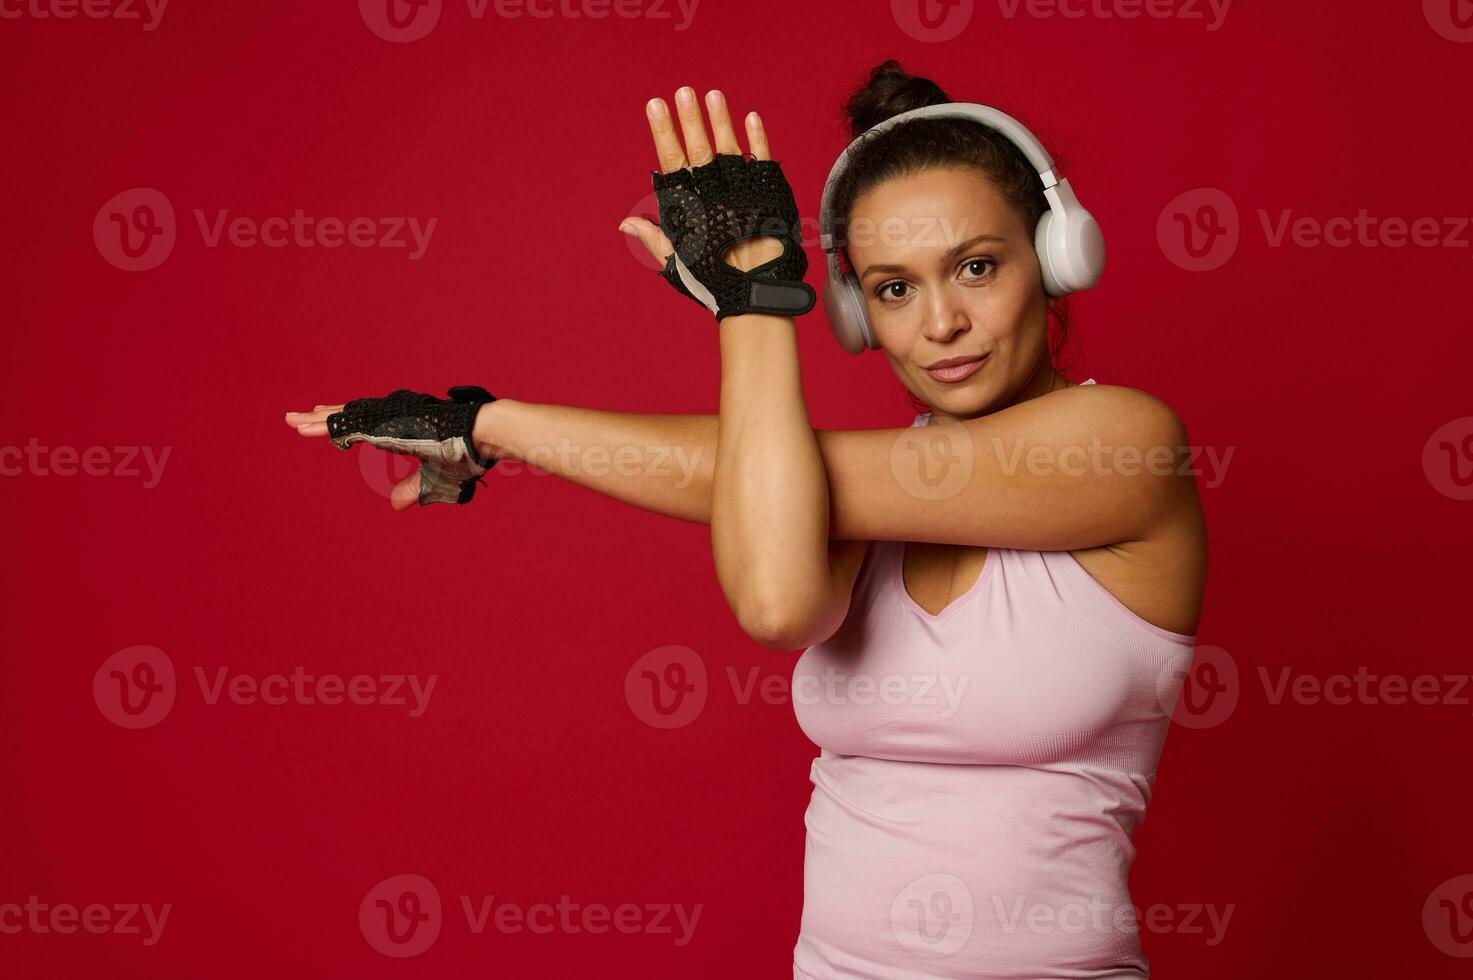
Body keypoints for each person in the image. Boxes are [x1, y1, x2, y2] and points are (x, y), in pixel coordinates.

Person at [285, 61, 1206, 979]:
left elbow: (768, 549)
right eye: (891, 287)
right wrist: (479, 425)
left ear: (1056, 256)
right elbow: (784, 596)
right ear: (853, 309)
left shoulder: (1124, 445)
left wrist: (754, 305)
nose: (940, 323)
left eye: (975, 267)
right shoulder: (844, 496)